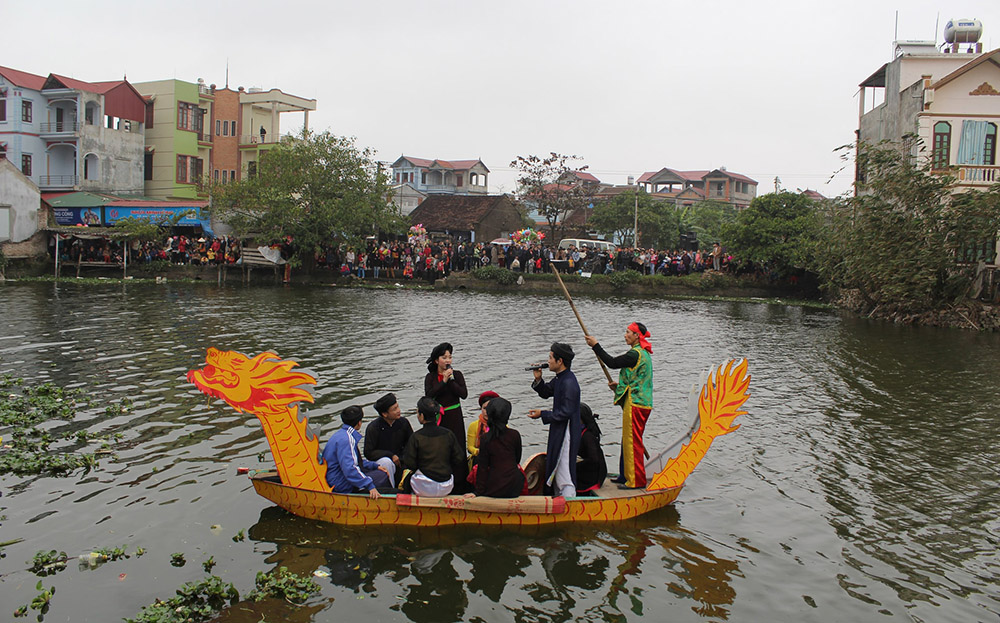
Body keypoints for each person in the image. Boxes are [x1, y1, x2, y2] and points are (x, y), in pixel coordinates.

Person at [585, 322, 653, 489]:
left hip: (637, 404)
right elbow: (635, 378)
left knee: (633, 442)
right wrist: (619, 387)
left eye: (628, 332)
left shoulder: (636, 354)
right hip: (636, 401)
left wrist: (596, 346)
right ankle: (625, 475)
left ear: (637, 336)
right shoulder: (639, 354)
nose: (625, 335)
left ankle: (636, 481)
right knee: (627, 440)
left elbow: (612, 363)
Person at [528, 342, 581, 499]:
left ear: (560, 361)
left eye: (550, 357)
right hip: (559, 428)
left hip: (567, 431)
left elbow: (565, 412)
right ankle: (559, 498)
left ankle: (569, 499)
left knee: (564, 466)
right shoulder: (560, 379)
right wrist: (538, 380)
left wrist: (542, 414)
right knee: (556, 464)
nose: (548, 361)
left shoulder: (570, 383)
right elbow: (546, 392)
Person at [322, 406, 393, 499]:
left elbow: (354, 461)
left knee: (378, 472)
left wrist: (375, 466)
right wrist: (370, 486)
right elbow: (350, 469)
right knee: (381, 476)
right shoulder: (347, 439)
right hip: (339, 483)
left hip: (335, 477)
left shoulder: (340, 435)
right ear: (359, 423)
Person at [401, 397, 465, 497]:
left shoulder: (416, 437)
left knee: (408, 477)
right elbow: (459, 458)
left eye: (418, 413)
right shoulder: (448, 434)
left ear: (422, 416)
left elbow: (410, 463)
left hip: (424, 487)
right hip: (446, 486)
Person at [423, 343, 469, 457]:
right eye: (444, 358)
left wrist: (451, 380)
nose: (448, 360)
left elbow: (463, 394)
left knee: (458, 446)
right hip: (439, 417)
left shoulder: (457, 375)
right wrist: (443, 381)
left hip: (455, 416)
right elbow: (429, 396)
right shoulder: (430, 377)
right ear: (436, 361)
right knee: (441, 447)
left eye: (450, 357)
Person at [475, 397, 525, 498]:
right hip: (514, 484)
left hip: (494, 485)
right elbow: (517, 459)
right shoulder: (515, 435)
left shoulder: (485, 438)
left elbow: (483, 468)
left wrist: (477, 492)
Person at [363, 392, 412, 486]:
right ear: (385, 414)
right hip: (384, 462)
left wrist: (403, 458)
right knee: (387, 462)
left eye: (397, 407)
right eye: (394, 409)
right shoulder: (373, 428)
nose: (398, 411)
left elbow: (410, 443)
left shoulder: (403, 423)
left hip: (401, 460)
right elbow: (369, 453)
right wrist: (390, 455)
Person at [576, 403, 608, 495]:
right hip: (587, 468)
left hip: (594, 475)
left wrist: (576, 464)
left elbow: (594, 459)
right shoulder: (580, 432)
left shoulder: (588, 436)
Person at [467, 390, 498, 470]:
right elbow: (470, 447)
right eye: (484, 408)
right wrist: (479, 452)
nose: (486, 412)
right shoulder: (473, 426)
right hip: (478, 459)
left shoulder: (501, 426)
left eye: (490, 408)